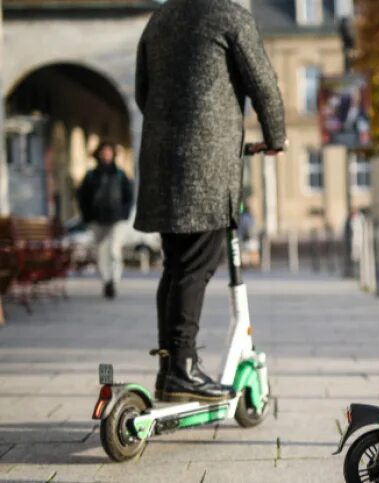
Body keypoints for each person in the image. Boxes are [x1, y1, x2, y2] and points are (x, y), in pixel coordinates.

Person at [134, 0, 286, 402]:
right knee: (196, 266)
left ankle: (171, 366)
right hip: (205, 165)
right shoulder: (230, 17)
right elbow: (263, 83)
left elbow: (141, 93)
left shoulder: (159, 19)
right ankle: (183, 368)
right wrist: (276, 138)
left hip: (161, 160)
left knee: (176, 265)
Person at [76, 141, 134, 299]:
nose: (106, 154)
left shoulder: (120, 175)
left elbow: (129, 196)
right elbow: (82, 197)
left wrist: (125, 213)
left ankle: (114, 279)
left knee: (114, 249)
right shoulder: (91, 175)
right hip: (97, 219)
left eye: (109, 151)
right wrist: (87, 215)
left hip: (117, 219)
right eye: (103, 151)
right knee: (101, 251)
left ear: (113, 154)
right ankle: (106, 280)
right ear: (99, 154)